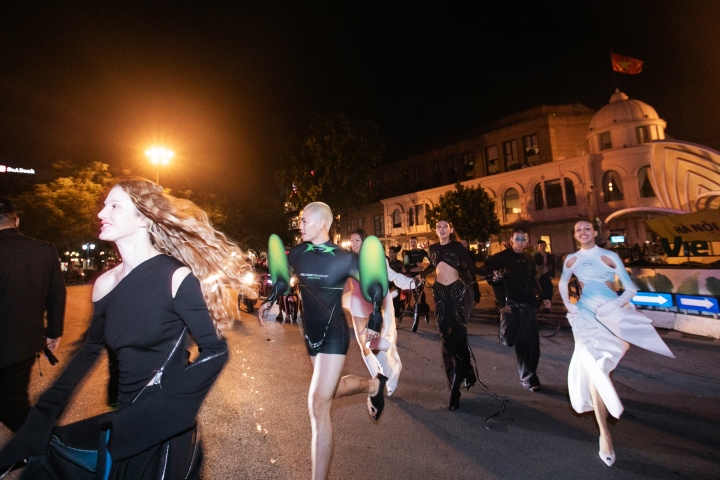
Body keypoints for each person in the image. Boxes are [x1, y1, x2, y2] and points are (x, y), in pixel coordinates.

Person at [0, 178, 245, 479]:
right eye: (104, 206)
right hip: (122, 427)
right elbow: (88, 352)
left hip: (162, 432)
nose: (102, 214)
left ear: (142, 218)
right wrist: (39, 420)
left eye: (114, 206)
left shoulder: (175, 277)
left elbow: (216, 350)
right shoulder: (105, 284)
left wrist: (170, 408)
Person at [259, 202, 387, 480]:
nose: (299, 225)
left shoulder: (345, 258)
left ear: (321, 224)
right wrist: (271, 299)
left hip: (333, 334)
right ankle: (373, 384)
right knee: (332, 391)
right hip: (310, 334)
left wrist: (376, 318)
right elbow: (282, 280)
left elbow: (374, 286)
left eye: (304, 221)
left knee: (318, 403)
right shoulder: (298, 253)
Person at [558, 220, 674, 467]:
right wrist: (569, 305)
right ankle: (605, 434)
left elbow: (630, 289)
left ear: (596, 233)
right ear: (574, 234)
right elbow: (562, 282)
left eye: (587, 228)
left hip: (610, 314)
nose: (582, 232)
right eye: (578, 229)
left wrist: (613, 304)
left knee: (601, 367)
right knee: (593, 367)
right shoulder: (571, 259)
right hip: (585, 316)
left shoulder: (609, 256)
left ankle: (605, 425)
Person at [0, 199, 65, 434]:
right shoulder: (45, 249)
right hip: (25, 342)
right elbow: (57, 293)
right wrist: (54, 332)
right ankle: (39, 446)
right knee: (14, 401)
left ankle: (42, 445)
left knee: (12, 407)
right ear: (16, 220)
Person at [343, 229, 417, 395]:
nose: (354, 244)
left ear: (365, 241)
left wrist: (412, 283)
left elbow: (391, 275)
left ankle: (390, 374)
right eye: (352, 240)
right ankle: (378, 380)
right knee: (364, 348)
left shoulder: (377, 258)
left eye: (357, 240)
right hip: (357, 303)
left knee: (374, 345)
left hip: (374, 304)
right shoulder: (349, 259)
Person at [419, 220, 482, 411]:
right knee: (446, 338)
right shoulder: (433, 249)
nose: (442, 229)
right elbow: (432, 265)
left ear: (451, 229)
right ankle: (454, 388)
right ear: (436, 231)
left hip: (455, 293)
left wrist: (492, 273)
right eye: (439, 227)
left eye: (445, 226)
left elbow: (471, 267)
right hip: (439, 294)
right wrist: (422, 273)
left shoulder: (457, 247)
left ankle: (467, 371)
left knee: (459, 336)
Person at [481, 227, 551, 392]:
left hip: (527, 305)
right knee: (511, 340)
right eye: (517, 239)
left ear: (527, 241)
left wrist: (543, 297)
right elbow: (487, 272)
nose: (521, 242)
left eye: (524, 239)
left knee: (531, 345)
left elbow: (533, 280)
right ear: (511, 240)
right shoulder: (501, 257)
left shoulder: (529, 258)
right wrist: (494, 277)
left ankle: (529, 377)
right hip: (510, 305)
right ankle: (528, 375)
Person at [403, 236, 430, 331]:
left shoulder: (421, 252)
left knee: (419, 295)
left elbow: (431, 260)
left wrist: (423, 270)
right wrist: (415, 265)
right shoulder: (408, 253)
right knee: (418, 297)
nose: (413, 243)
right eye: (411, 242)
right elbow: (406, 266)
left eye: (414, 242)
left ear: (417, 242)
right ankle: (425, 312)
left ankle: (415, 322)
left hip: (421, 276)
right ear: (410, 243)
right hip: (412, 277)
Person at [534, 240, 556, 311]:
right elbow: (534, 266)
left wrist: (552, 274)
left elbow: (553, 266)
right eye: (541, 246)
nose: (542, 247)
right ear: (538, 247)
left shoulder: (549, 256)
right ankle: (541, 304)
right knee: (541, 291)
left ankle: (547, 305)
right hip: (540, 276)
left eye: (544, 245)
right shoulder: (536, 256)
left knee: (549, 290)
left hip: (547, 275)